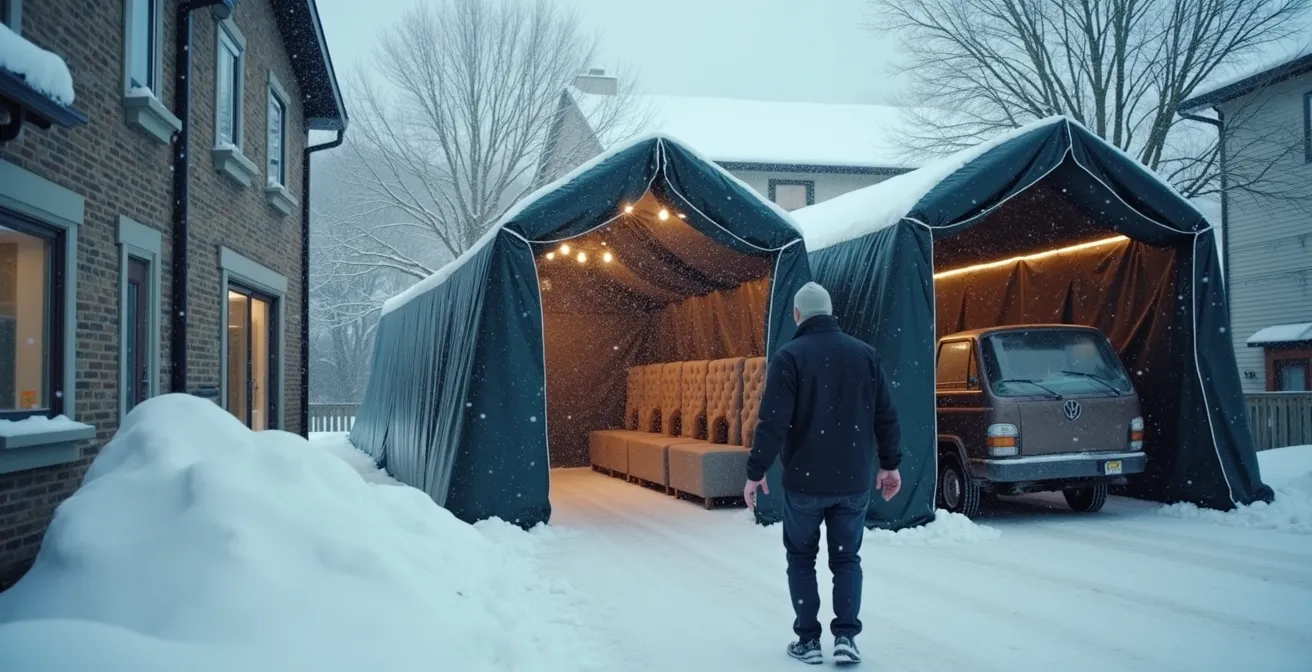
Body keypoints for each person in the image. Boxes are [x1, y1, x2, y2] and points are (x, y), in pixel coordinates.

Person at [744, 281, 902, 667]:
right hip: (853, 481)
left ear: (797, 315)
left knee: (801, 557)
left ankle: (809, 641)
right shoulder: (865, 355)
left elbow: (773, 421)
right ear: (831, 313)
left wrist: (756, 470)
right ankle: (846, 636)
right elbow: (886, 415)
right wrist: (890, 464)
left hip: (805, 482)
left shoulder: (790, 356)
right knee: (847, 559)